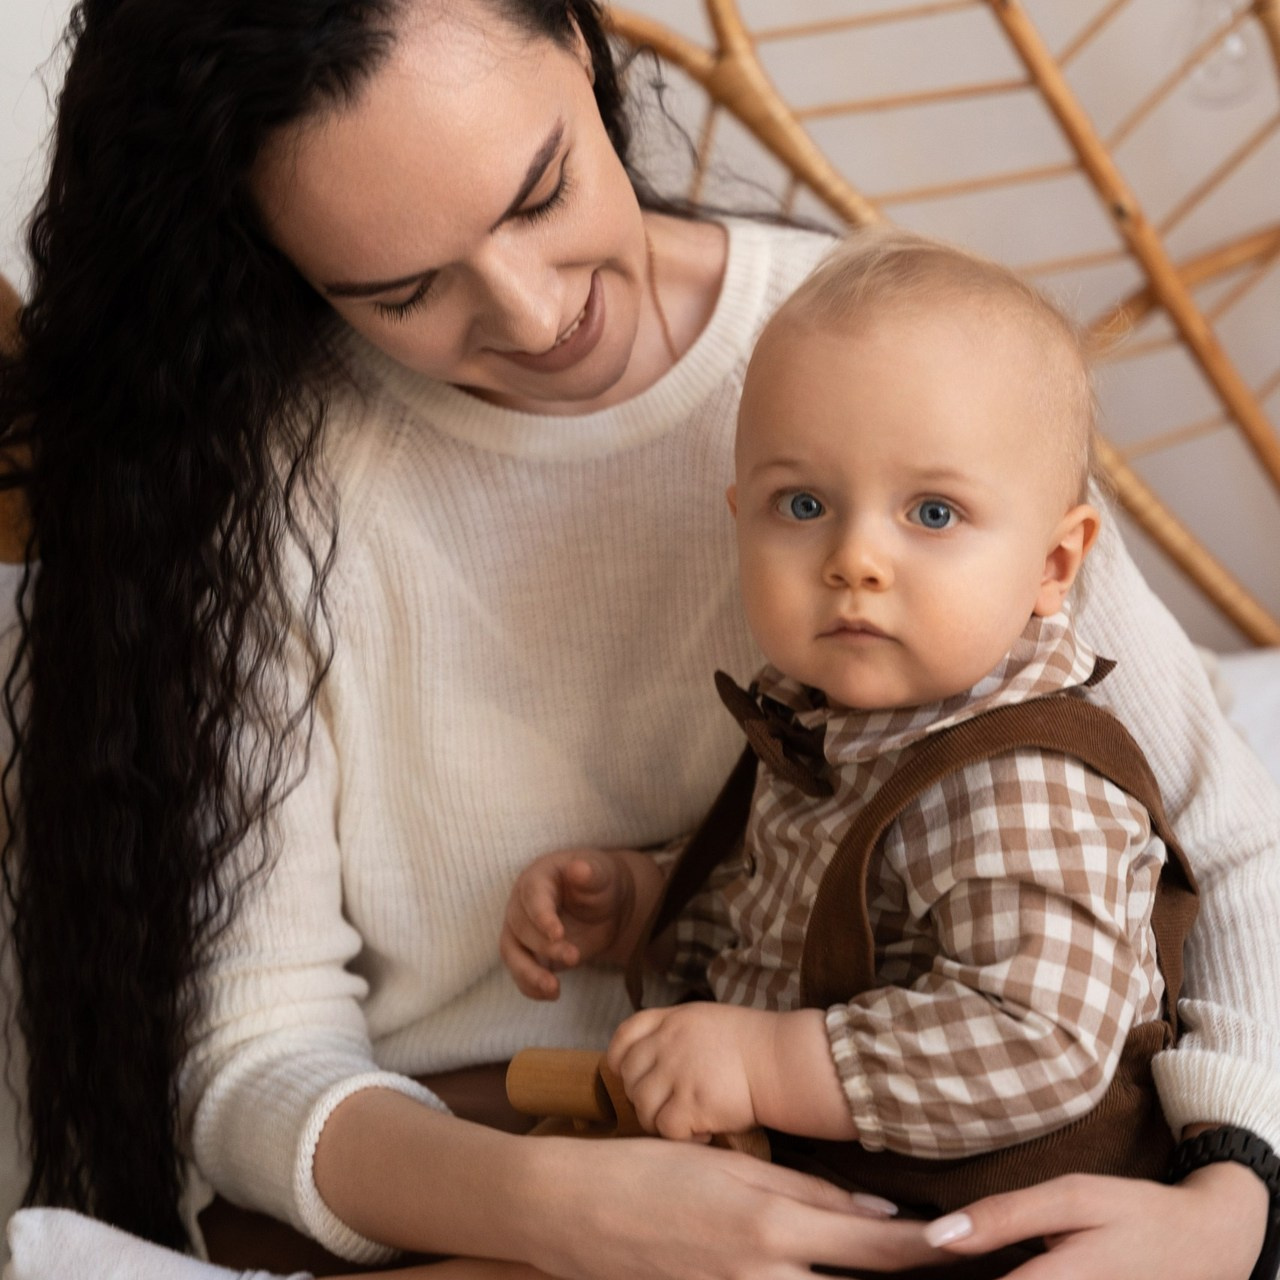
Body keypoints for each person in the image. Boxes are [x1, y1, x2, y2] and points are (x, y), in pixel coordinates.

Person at [0, 2, 1276, 1278]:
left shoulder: (889, 369)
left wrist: (1237, 1193)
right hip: (468, 1180)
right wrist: (563, 1206)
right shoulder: (261, 479)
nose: (529, 311)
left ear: (578, 38)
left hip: (874, 1157)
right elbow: (247, 1057)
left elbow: (1227, 839)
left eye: (540, 192)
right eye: (404, 290)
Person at [502, 228, 1198, 1221]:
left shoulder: (1024, 781)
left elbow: (1041, 1036)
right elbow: (790, 908)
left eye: (931, 513)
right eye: (802, 501)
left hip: (991, 1225)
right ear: (739, 515)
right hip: (812, 1184)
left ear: (1053, 564)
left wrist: (772, 1061)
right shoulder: (823, 722)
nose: (853, 557)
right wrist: (646, 897)